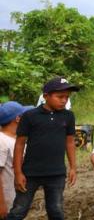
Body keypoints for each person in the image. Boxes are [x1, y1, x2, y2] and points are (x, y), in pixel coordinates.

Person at [7, 77, 79, 220]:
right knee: (19, 210)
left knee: (56, 210)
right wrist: (18, 173)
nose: (64, 100)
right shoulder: (30, 116)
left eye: (66, 97)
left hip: (56, 174)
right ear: (46, 96)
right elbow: (19, 144)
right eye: (60, 97)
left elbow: (70, 142)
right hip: (30, 173)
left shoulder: (68, 116)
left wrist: (73, 167)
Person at [0, 102, 33, 218]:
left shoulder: (17, 140)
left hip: (16, 201)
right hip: (6, 203)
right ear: (18, 119)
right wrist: (1, 204)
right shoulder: (2, 141)